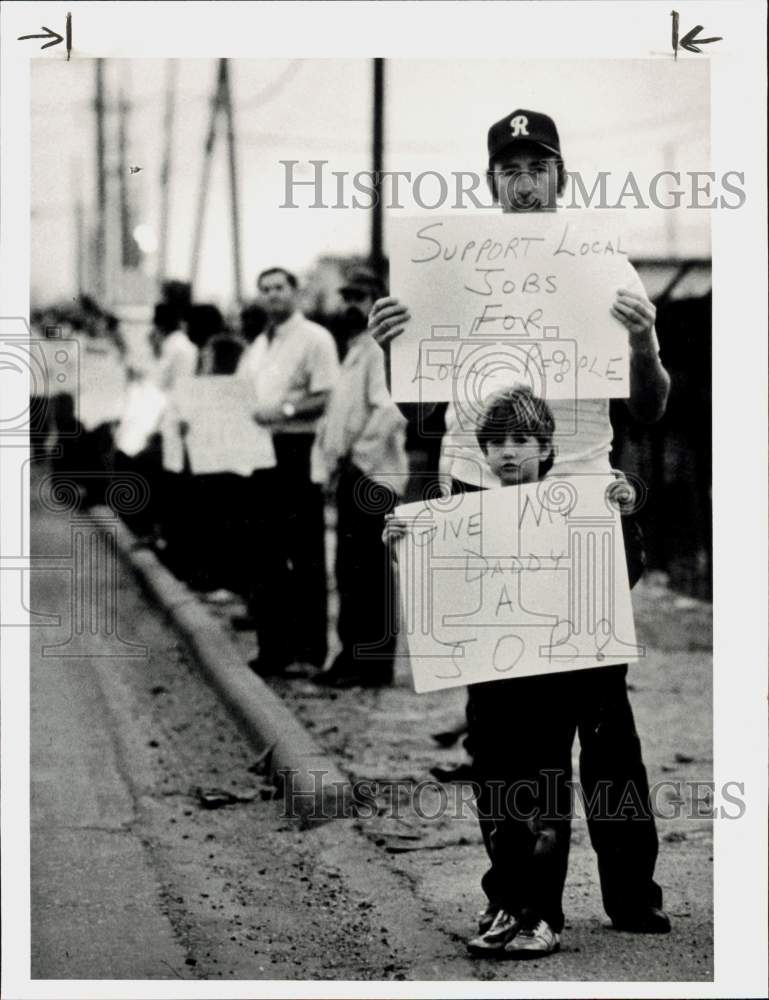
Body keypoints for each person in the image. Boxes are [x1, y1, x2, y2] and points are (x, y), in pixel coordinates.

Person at [370, 108, 671, 953]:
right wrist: (395, 350)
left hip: (579, 507)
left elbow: (647, 408)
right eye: (508, 168)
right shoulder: (448, 274)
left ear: (560, 178)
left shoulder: (599, 265)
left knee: (600, 718)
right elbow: (427, 411)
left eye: (537, 165)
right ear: (490, 182)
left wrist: (644, 344)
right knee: (501, 717)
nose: (523, 179)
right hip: (480, 508)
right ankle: (521, 896)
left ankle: (630, 888)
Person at [239, 267, 339, 674]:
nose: (272, 295)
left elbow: (326, 395)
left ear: (295, 292)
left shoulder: (315, 338)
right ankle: (272, 650)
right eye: (265, 290)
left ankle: (308, 652)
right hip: (260, 452)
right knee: (265, 554)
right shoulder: (258, 346)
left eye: (280, 287)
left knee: (304, 553)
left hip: (297, 448)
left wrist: (283, 409)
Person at [312, 266, 408, 687]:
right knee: (351, 570)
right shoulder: (354, 348)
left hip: (374, 476)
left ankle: (371, 662)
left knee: (370, 574)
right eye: (347, 297)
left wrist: (359, 457)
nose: (351, 305)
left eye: (361, 297)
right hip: (351, 473)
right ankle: (351, 656)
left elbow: (389, 408)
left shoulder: (378, 349)